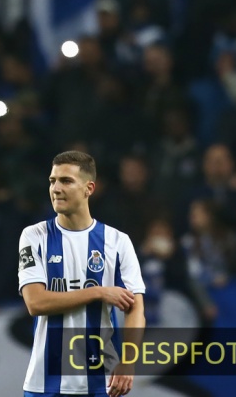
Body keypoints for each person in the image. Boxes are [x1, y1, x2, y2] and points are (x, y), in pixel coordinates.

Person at [19, 151, 145, 397]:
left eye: (66, 181)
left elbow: (136, 307)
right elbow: (35, 303)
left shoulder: (117, 241)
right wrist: (97, 292)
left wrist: (129, 361)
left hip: (101, 382)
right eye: (52, 181)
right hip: (44, 384)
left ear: (89, 188)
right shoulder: (34, 236)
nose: (56, 188)